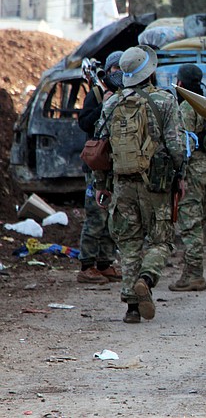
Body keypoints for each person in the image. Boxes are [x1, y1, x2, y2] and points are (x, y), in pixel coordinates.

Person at [93, 45, 186, 324]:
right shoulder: (164, 101)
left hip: (122, 184)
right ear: (150, 71)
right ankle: (146, 279)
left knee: (130, 244)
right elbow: (177, 146)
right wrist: (179, 176)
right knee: (161, 240)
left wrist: (101, 184)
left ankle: (132, 309)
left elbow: (100, 148)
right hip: (156, 185)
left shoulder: (111, 104)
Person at [169, 64, 206, 292]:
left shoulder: (187, 108)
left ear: (179, 83)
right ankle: (191, 272)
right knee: (198, 221)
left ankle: (194, 275)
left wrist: (179, 174)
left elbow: (184, 145)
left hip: (194, 168)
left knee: (189, 224)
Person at [76, 51, 124, 284]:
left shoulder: (125, 93)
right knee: (95, 215)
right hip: (97, 166)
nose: (120, 74)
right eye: (117, 69)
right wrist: (102, 106)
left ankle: (105, 263)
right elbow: (84, 122)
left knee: (112, 218)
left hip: (116, 165)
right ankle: (87, 265)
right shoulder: (96, 93)